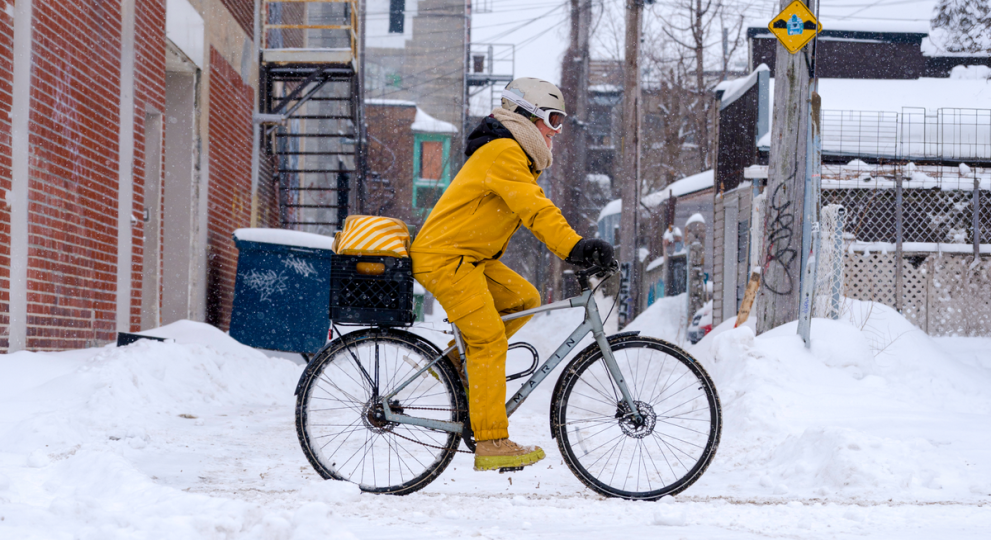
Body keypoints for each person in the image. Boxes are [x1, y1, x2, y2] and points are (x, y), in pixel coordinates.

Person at [410, 78, 615, 472]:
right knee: (487, 341)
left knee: (524, 300)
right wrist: (576, 248)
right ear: (527, 115)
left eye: (561, 122)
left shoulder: (510, 153)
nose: (556, 131)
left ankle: (454, 364)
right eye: (552, 120)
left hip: (471, 258)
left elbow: (532, 207)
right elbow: (535, 210)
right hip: (447, 258)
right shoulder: (504, 151)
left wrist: (573, 247)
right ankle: (491, 441)